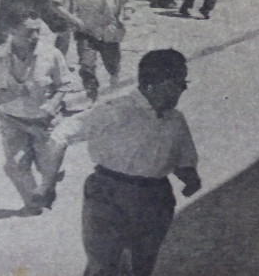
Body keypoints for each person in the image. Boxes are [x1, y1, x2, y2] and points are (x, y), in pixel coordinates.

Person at [48, 49, 199, 276]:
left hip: (156, 199)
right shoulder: (115, 110)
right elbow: (61, 135)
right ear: (154, 83)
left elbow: (183, 159)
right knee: (103, 265)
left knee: (142, 266)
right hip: (108, 194)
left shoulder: (176, 119)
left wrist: (190, 178)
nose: (183, 88)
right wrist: (47, 184)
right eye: (178, 82)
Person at [0, 14, 72, 216]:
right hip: (12, 119)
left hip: (45, 120)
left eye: (37, 31)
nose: (34, 36)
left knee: (48, 167)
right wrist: (12, 93)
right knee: (15, 164)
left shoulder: (52, 54)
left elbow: (65, 84)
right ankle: (33, 202)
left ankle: (49, 181)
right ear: (11, 32)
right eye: (28, 32)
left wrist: (53, 104)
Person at [54, 0, 133, 102]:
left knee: (113, 65)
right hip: (87, 31)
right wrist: (72, 19)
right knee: (86, 65)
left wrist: (126, 14)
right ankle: (92, 95)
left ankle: (113, 92)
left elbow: (127, 2)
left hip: (110, 31)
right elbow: (55, 2)